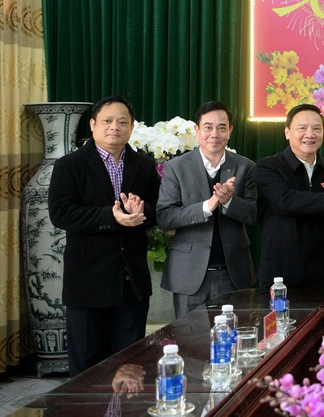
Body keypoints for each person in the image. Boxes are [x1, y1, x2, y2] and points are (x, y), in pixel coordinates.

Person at [49, 95, 160, 376]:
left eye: (123, 122)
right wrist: (111, 216)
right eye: (108, 121)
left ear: (132, 128)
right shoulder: (69, 165)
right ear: (92, 125)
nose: (115, 127)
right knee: (87, 371)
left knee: (130, 367)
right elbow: (61, 213)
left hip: (130, 285)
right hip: (87, 285)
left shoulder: (145, 166)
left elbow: (160, 209)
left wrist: (141, 210)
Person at [156, 101, 257, 318]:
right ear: (197, 130)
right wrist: (208, 206)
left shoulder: (245, 167)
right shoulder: (176, 167)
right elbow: (165, 217)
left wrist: (230, 201)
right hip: (189, 275)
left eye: (222, 127)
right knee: (190, 343)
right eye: (208, 127)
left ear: (230, 131)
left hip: (233, 273)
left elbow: (256, 214)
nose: (215, 134)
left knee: (233, 342)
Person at [255, 104, 324, 289]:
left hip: (323, 275)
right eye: (302, 128)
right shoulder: (268, 167)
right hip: (279, 277)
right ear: (287, 132)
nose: (310, 134)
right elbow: (284, 201)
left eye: (317, 128)